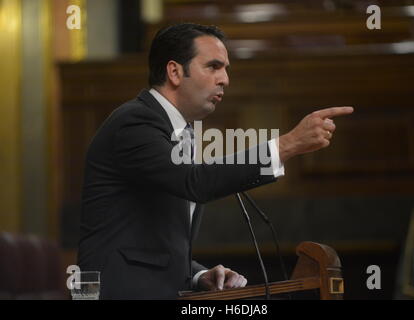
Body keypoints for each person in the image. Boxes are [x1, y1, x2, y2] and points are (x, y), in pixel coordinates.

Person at [77, 23, 353, 299]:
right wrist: (288, 144)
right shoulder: (135, 122)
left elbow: (151, 240)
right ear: (174, 71)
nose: (225, 79)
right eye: (213, 66)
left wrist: (196, 274)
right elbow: (194, 181)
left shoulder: (181, 131)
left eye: (226, 69)